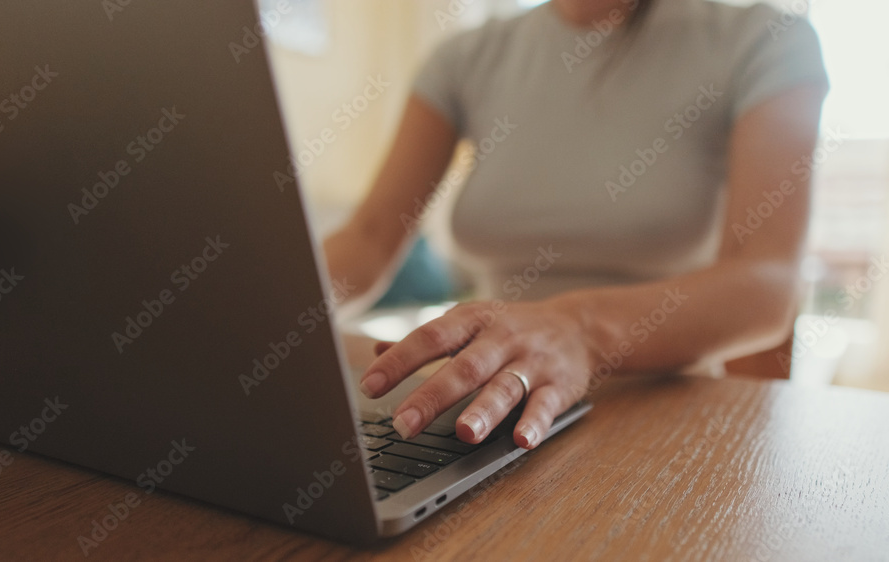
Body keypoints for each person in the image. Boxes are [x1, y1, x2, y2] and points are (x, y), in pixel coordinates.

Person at [322, 0, 829, 449]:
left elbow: (768, 283)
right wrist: (271, 310)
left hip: (662, 418)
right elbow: (368, 239)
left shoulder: (765, 40)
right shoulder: (465, 57)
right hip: (488, 418)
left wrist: (580, 329)